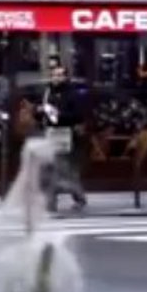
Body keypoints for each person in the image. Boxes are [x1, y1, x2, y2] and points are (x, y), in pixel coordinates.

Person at [39, 64, 88, 212]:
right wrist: (40, 111)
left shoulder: (71, 93)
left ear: (65, 77)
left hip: (65, 134)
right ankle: (53, 201)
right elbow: (42, 113)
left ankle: (74, 198)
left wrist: (58, 115)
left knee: (62, 169)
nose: (57, 77)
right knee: (49, 168)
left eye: (60, 75)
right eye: (55, 74)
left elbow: (77, 115)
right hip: (50, 132)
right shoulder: (48, 92)